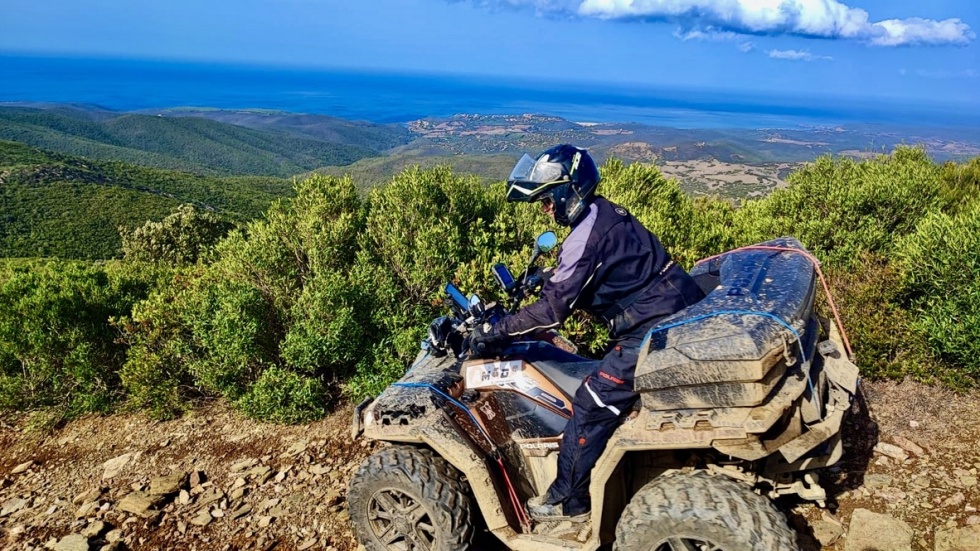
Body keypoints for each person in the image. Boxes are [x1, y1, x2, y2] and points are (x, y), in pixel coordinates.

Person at [468, 144, 704, 523]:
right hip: (676, 302)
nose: (546, 209)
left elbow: (551, 313)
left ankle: (568, 501)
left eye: (548, 200)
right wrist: (548, 276)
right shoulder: (604, 212)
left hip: (652, 328)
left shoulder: (583, 238)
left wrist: (496, 333)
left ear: (570, 191)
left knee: (591, 402)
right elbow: (608, 267)